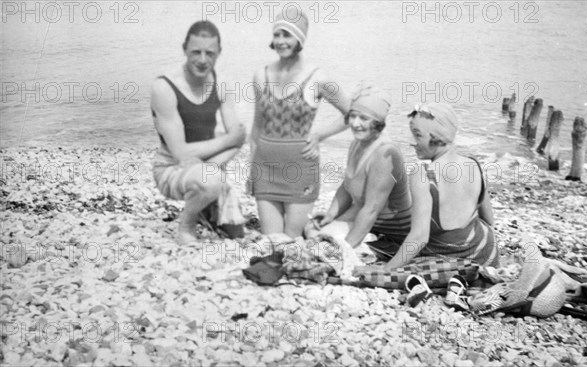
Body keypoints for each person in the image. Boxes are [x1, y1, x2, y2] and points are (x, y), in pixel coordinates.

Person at [248, 10, 350, 238]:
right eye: (277, 34)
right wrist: (251, 169)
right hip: (265, 168)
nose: (281, 41)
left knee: (292, 239)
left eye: (288, 35)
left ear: (300, 39)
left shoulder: (317, 77)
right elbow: (256, 127)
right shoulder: (260, 75)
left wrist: (320, 135)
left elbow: (352, 113)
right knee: (273, 241)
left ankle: (312, 235)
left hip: (301, 169)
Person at [372, 103, 499, 271]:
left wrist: (386, 269)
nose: (411, 142)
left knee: (385, 242)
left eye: (417, 135)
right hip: (486, 254)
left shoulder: (423, 174)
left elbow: (419, 238)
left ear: (437, 138)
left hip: (449, 258)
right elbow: (488, 220)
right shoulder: (473, 164)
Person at [151, 21, 246, 244]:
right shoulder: (164, 87)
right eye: (196, 52)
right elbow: (180, 153)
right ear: (184, 49)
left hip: (207, 163)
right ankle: (187, 223)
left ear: (219, 53)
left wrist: (209, 164)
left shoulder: (222, 84)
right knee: (210, 181)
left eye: (210, 53)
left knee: (235, 233)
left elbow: (238, 139)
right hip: (170, 169)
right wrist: (228, 140)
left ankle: (205, 197)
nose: (203, 60)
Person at [306, 85, 412, 260]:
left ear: (378, 123)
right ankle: (362, 245)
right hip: (362, 211)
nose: (355, 123)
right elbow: (347, 186)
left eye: (363, 118)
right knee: (311, 228)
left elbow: (372, 209)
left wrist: (345, 250)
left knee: (321, 244)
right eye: (353, 116)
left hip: (390, 227)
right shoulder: (357, 143)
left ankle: (371, 246)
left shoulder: (385, 154)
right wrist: (331, 214)